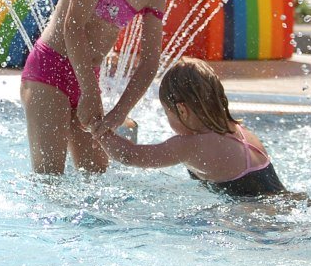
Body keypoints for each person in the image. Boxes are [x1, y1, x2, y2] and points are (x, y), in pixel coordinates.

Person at [21, 0, 180, 174]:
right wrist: (91, 92)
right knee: (50, 175)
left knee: (95, 174)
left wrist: (119, 112)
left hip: (86, 77)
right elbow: (73, 27)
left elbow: (149, 63)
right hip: (50, 69)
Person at [95, 57, 289, 197]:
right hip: (283, 202)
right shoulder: (240, 131)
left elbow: (130, 156)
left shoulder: (192, 145)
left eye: (167, 113)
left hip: (255, 218)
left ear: (182, 110)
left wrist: (97, 129)